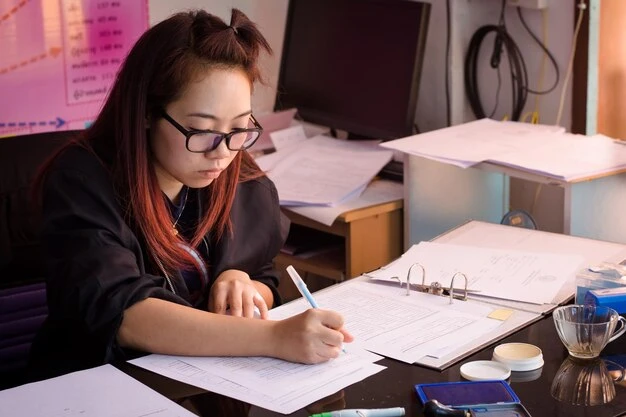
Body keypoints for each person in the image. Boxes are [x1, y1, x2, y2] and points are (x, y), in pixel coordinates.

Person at [28, 8, 352, 380]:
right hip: (96, 384)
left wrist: (244, 288)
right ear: (148, 113)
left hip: (204, 380)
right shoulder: (82, 182)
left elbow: (265, 278)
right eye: (202, 130)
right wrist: (274, 336)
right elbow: (126, 315)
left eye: (239, 128)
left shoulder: (240, 177)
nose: (222, 153)